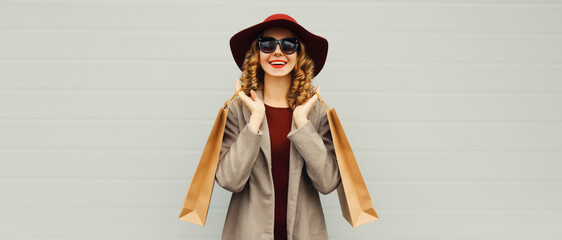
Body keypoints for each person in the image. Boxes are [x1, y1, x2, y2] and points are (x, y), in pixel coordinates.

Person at [215, 13, 341, 240]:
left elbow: (328, 182)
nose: (277, 52)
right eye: (268, 44)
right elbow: (229, 180)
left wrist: (303, 124)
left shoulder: (316, 111)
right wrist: (254, 121)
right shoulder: (238, 109)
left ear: (299, 54)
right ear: (257, 53)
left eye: (289, 45)